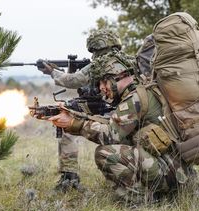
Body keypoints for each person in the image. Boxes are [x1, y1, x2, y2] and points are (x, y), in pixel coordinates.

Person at [48, 53, 189, 203]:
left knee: (104, 153)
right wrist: (75, 115)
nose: (101, 88)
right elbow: (115, 125)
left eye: (104, 81)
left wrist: (73, 124)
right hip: (175, 169)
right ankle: (157, 190)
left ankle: (141, 199)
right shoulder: (141, 90)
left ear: (119, 75)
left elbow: (110, 135)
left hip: (167, 171)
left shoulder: (134, 99)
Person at [38, 29, 131, 192]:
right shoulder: (129, 61)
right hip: (128, 109)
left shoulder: (102, 63)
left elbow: (72, 80)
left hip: (107, 108)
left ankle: (69, 176)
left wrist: (52, 71)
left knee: (66, 120)